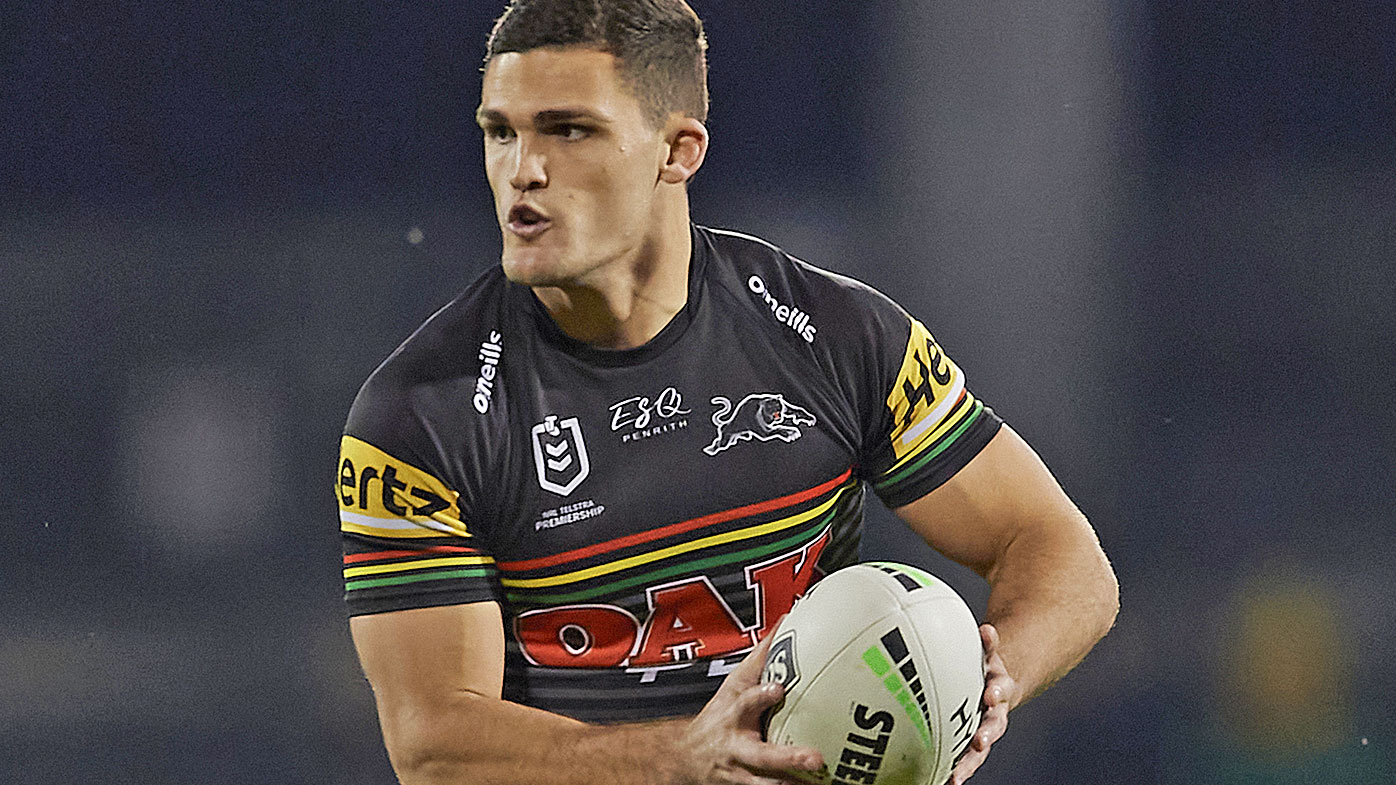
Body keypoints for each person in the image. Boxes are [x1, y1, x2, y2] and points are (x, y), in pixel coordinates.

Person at [337, 1, 1119, 783]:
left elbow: (1065, 556)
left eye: (568, 130)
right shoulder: (423, 417)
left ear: (678, 151)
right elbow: (435, 742)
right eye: (501, 132)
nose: (523, 169)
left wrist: (990, 682)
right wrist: (682, 757)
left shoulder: (836, 337)